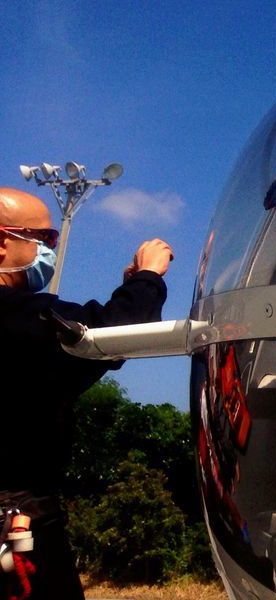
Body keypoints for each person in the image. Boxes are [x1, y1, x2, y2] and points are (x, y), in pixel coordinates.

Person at [0, 187, 171, 600]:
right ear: (3, 242)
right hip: (19, 524)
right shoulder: (16, 316)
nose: (50, 250)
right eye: (45, 239)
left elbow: (76, 349)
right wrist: (149, 278)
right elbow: (106, 338)